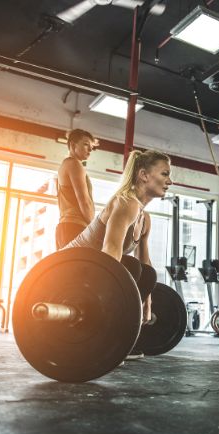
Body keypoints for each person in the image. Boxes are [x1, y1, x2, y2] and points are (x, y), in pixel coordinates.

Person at [65, 149, 173, 358]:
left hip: (89, 269)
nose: (170, 181)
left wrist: (147, 302)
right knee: (129, 267)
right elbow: (110, 253)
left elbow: (146, 265)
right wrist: (104, 308)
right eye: (165, 174)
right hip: (67, 267)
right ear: (143, 175)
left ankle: (120, 337)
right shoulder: (126, 202)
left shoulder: (144, 218)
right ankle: (106, 335)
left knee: (145, 271)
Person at [55, 129, 98, 249]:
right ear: (73, 145)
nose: (90, 150)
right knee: (79, 267)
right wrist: (94, 229)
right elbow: (84, 200)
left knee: (66, 267)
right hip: (75, 227)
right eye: (85, 144)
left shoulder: (64, 165)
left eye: (91, 146)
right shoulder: (74, 164)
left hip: (65, 227)